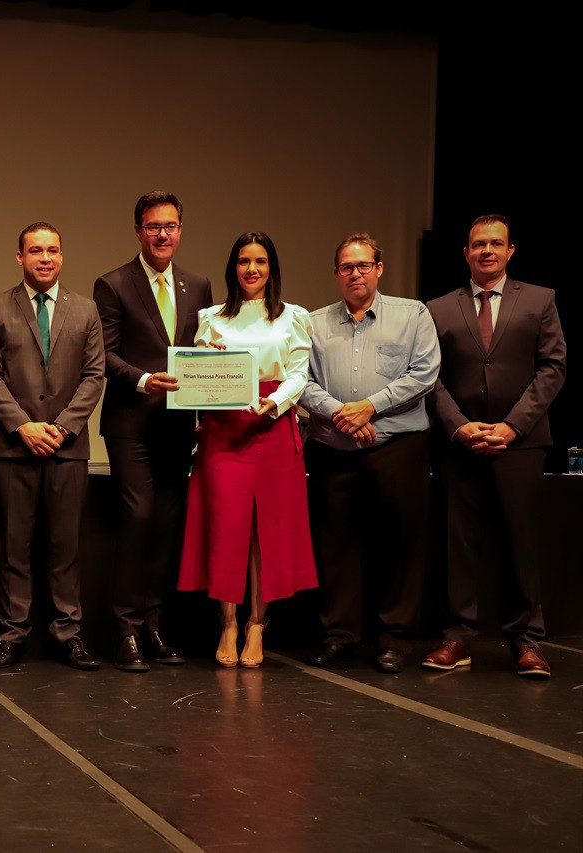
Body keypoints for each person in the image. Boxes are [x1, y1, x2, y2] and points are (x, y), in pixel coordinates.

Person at [423, 214, 566, 679]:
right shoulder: (437, 308)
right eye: (478, 244)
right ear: (465, 253)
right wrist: (459, 427)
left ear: (510, 250)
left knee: (521, 544)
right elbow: (429, 376)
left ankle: (526, 641)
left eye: (496, 243)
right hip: (459, 444)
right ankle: (457, 637)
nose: (487, 250)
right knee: (458, 544)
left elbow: (552, 368)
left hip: (520, 444)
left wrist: (512, 427)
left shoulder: (540, 300)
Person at [301, 234, 440, 673]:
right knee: (336, 545)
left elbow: (424, 373)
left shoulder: (412, 314)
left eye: (364, 265)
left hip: (398, 446)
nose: (355, 274)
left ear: (379, 268)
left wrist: (369, 408)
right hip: (333, 447)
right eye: (347, 267)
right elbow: (300, 380)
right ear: (336, 273)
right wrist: (342, 413)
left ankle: (394, 637)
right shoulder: (313, 323)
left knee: (400, 543)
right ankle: (339, 635)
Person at [178, 231, 316, 668]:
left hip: (272, 426)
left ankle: (257, 623)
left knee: (267, 531)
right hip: (224, 431)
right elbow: (199, 378)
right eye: (243, 261)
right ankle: (228, 622)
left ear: (271, 268)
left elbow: (299, 374)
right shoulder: (211, 317)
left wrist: (275, 403)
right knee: (227, 527)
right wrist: (210, 368)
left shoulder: (294, 316)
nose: (251, 269)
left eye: (260, 261)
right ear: (232, 268)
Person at [93, 191, 213, 672]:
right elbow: (104, 354)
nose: (162, 235)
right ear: (138, 231)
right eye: (153, 226)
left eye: (170, 226)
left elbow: (202, 352)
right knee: (138, 517)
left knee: (166, 525)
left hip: (178, 424)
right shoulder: (113, 284)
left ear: (180, 229)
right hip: (131, 424)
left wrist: (208, 398)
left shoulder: (198, 285)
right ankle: (125, 629)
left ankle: (154, 625)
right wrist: (143, 380)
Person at [0, 222, 106, 671]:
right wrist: (23, 426)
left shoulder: (86, 310)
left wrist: (63, 427)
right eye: (35, 250)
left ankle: (69, 633)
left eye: (52, 250)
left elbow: (95, 376)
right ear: (20, 257)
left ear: (62, 255)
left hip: (67, 448)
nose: (45, 258)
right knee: (15, 548)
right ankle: (11, 634)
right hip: (14, 447)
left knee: (64, 548)